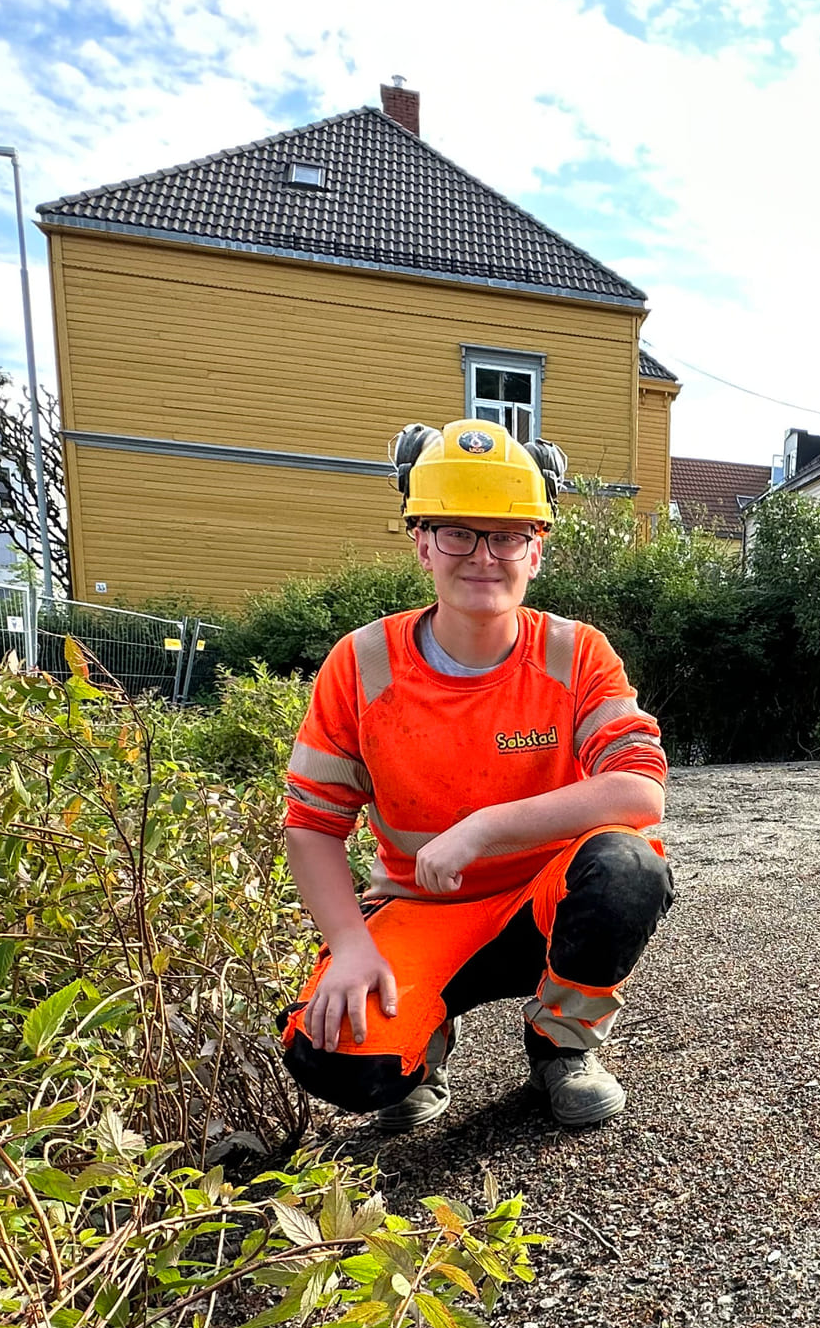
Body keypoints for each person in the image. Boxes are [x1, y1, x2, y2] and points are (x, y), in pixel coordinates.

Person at [279, 419, 673, 1131]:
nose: (483, 556)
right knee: (338, 1060)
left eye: (506, 535)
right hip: (422, 906)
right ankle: (422, 1048)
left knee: (629, 870)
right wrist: (349, 946)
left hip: (546, 903)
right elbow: (311, 828)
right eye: (458, 532)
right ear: (421, 540)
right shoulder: (362, 664)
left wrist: (483, 828)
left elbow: (640, 789)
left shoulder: (575, 653)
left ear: (537, 550)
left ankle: (562, 1045)